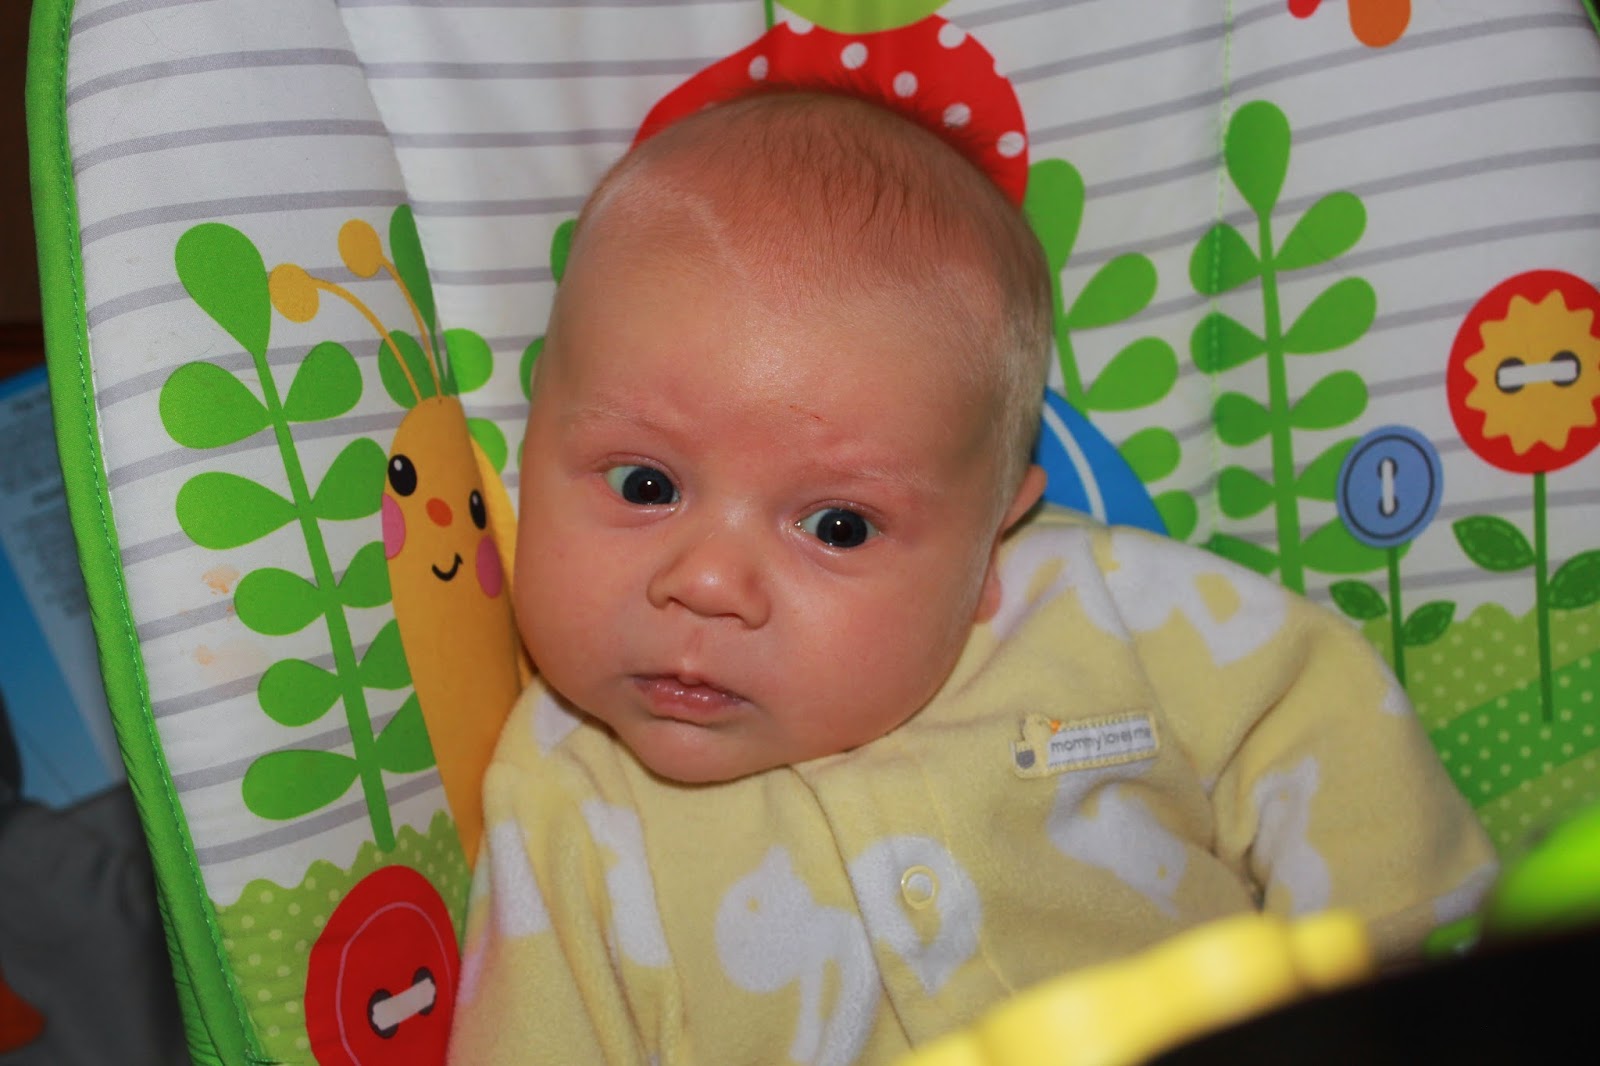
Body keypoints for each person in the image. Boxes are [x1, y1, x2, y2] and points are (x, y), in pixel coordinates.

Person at [445, 91, 1496, 1065]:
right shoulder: (563, 795)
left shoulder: (1107, 608)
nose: (708, 582)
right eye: (645, 484)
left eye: (838, 525)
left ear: (993, 536)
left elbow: (1316, 719)